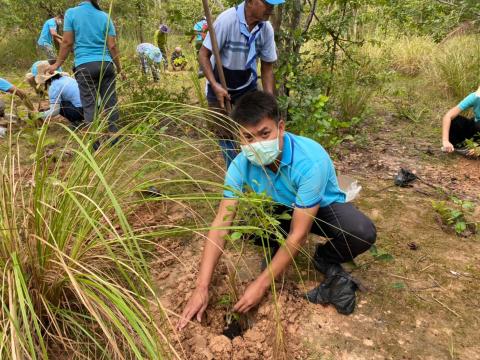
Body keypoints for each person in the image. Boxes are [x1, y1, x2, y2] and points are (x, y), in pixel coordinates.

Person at [177, 91, 377, 330]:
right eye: (248, 138)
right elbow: (221, 223)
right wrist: (202, 287)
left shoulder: (308, 161)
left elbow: (299, 235)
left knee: (361, 232)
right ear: (239, 138)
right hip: (281, 208)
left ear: (280, 127)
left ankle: (324, 257)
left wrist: (260, 285)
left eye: (264, 134)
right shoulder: (240, 165)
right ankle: (275, 252)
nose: (258, 145)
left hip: (321, 209)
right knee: (251, 225)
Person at [199, 0, 284, 167]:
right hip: (220, 85)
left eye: (273, 5)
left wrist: (268, 99)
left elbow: (267, 67)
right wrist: (215, 85)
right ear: (251, 2)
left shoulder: (265, 29)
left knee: (256, 129)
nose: (271, 9)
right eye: (268, 3)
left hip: (247, 86)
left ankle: (257, 172)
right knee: (225, 136)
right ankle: (235, 176)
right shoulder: (227, 21)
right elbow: (203, 55)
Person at [48, 0, 122, 138]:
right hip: (106, 65)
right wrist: (119, 67)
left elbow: (67, 42)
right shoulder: (105, 16)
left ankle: (94, 142)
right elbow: (112, 46)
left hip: (85, 66)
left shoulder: (71, 13)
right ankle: (114, 137)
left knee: (89, 104)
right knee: (110, 101)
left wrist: (57, 64)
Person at [34, 62, 84, 128]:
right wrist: (48, 109)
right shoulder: (67, 78)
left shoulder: (54, 86)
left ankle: (76, 121)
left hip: (81, 111)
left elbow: (55, 111)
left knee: (59, 105)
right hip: (90, 108)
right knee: (59, 103)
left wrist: (39, 115)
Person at [442, 87, 480, 154]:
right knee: (455, 120)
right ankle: (458, 147)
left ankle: (475, 148)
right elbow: (448, 116)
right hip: (476, 127)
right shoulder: (474, 97)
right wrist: (445, 140)